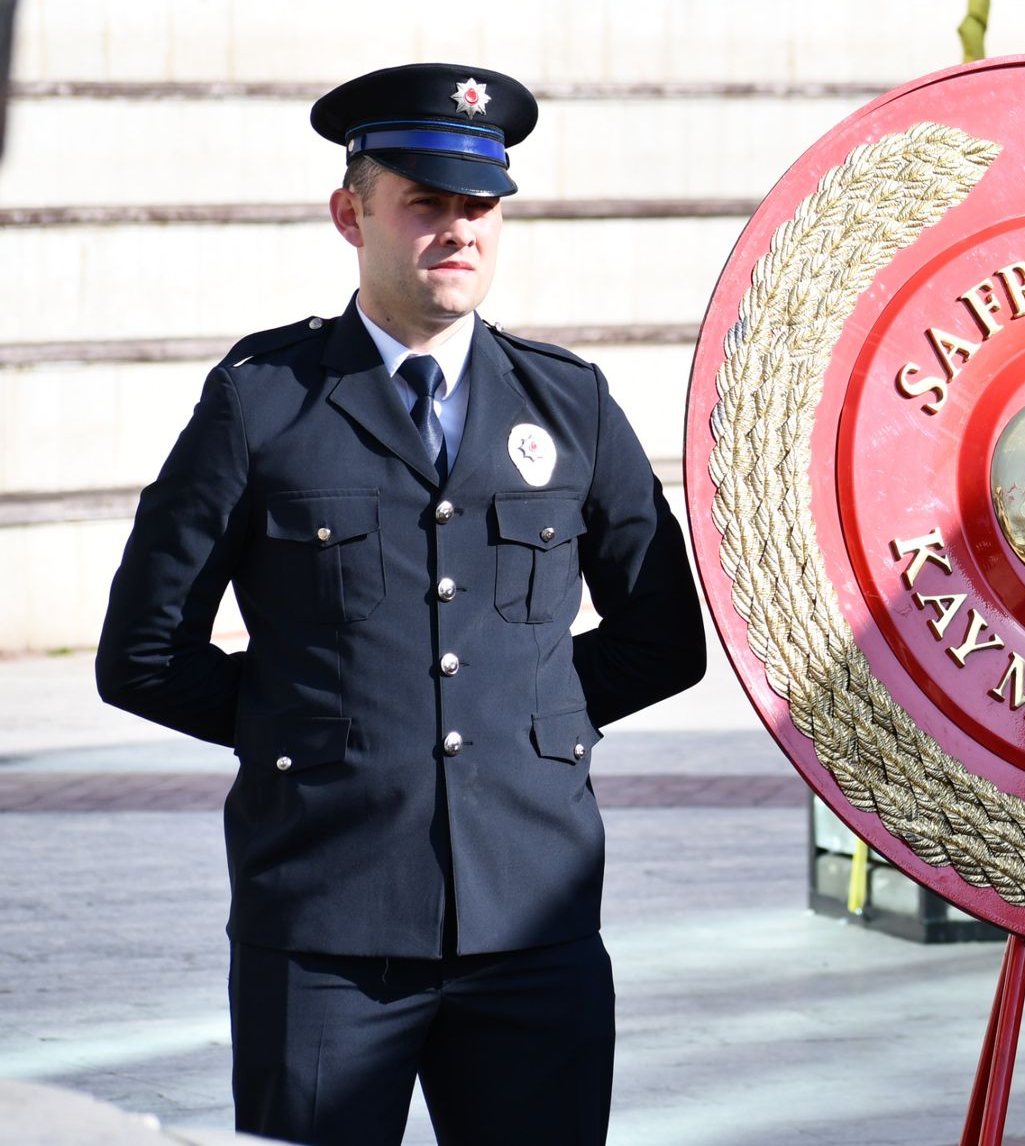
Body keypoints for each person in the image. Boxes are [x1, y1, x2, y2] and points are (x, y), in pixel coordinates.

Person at [96, 62, 706, 1146]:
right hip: (327, 923)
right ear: (352, 213)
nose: (458, 230)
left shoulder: (566, 402)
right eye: (425, 202)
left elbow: (664, 638)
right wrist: (312, 729)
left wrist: (541, 720)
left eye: (480, 206)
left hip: (534, 917)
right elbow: (144, 649)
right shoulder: (263, 401)